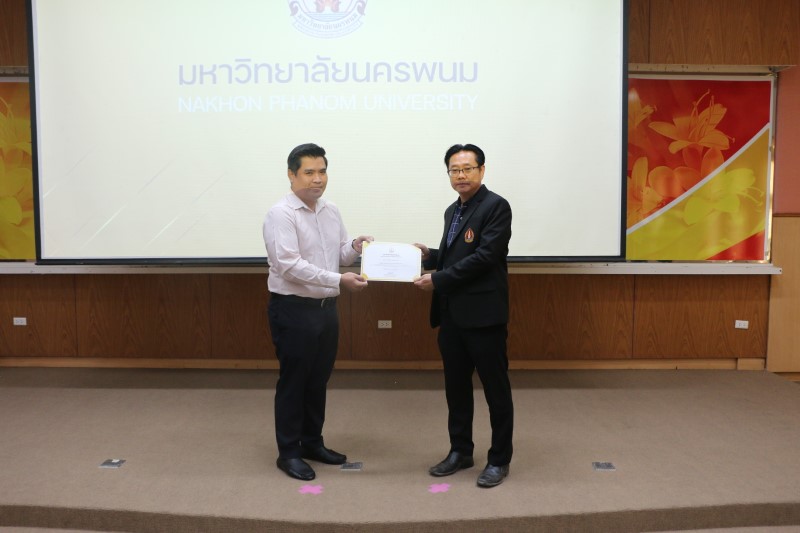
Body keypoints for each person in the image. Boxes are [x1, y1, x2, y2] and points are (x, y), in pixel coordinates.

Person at [263, 143, 372, 481]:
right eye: (309, 172)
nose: (317, 179)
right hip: (293, 309)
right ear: (291, 174)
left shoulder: (330, 210)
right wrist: (339, 279)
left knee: (318, 380)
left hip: (326, 309)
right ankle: (288, 453)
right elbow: (290, 265)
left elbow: (337, 253)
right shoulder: (281, 214)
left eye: (322, 171)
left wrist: (354, 247)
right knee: (294, 382)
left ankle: (312, 442)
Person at [413, 143, 514, 488]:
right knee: (456, 389)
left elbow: (485, 257)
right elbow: (456, 255)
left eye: (468, 168)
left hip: (484, 317)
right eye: (454, 170)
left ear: (481, 170)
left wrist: (438, 279)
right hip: (452, 317)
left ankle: (499, 459)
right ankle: (460, 451)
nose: (461, 175)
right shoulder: (452, 210)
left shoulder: (496, 206)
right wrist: (429, 256)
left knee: (495, 391)